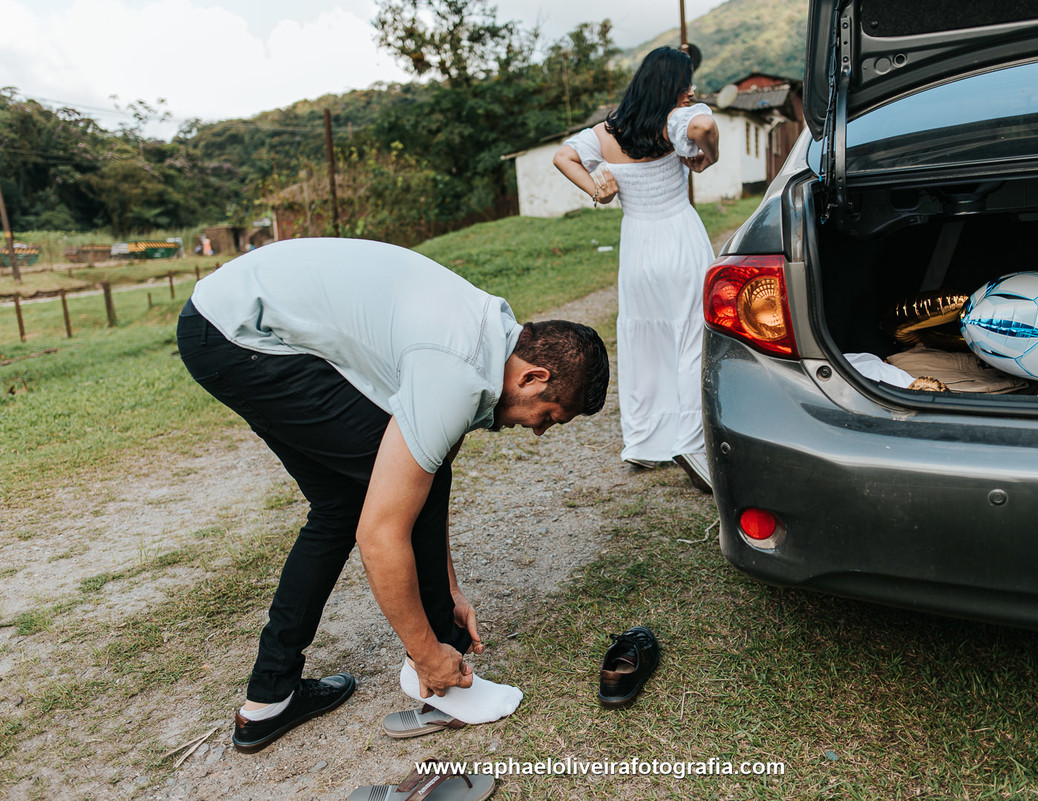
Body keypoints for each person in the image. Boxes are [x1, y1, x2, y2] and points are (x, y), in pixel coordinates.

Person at [175, 237, 609, 752]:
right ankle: (439, 678)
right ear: (534, 377)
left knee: (345, 502)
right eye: (548, 416)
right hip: (237, 332)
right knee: (393, 495)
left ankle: (270, 698)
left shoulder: (491, 338)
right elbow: (381, 534)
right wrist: (425, 648)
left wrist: (447, 590)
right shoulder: (457, 370)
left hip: (227, 319)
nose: (537, 430)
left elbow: (426, 467)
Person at [552, 45, 718, 492]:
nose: (691, 91)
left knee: (644, 338)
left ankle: (646, 441)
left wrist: (597, 189)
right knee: (689, 337)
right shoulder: (676, 119)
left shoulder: (607, 130)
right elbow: (703, 126)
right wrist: (709, 155)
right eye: (687, 84)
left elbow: (561, 157)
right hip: (679, 238)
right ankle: (691, 443)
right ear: (673, 86)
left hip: (639, 246)